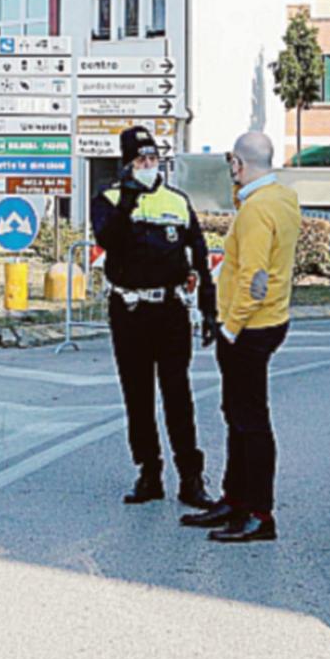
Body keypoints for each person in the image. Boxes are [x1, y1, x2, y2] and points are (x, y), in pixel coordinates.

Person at [181, 131, 300, 544]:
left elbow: (255, 278)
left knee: (249, 421)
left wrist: (230, 327)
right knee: (237, 414)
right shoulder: (280, 200)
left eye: (232, 163)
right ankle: (235, 500)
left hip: (250, 328)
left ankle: (259, 514)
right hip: (268, 321)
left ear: (238, 164)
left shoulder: (257, 210)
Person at [92, 127, 217, 509]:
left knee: (178, 395)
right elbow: (108, 239)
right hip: (129, 310)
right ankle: (149, 471)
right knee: (138, 395)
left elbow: (199, 253)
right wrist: (129, 199)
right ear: (127, 164)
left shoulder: (176, 201)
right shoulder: (109, 199)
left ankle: (191, 478)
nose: (148, 166)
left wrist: (209, 309)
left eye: (152, 159)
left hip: (170, 310)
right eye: (140, 160)